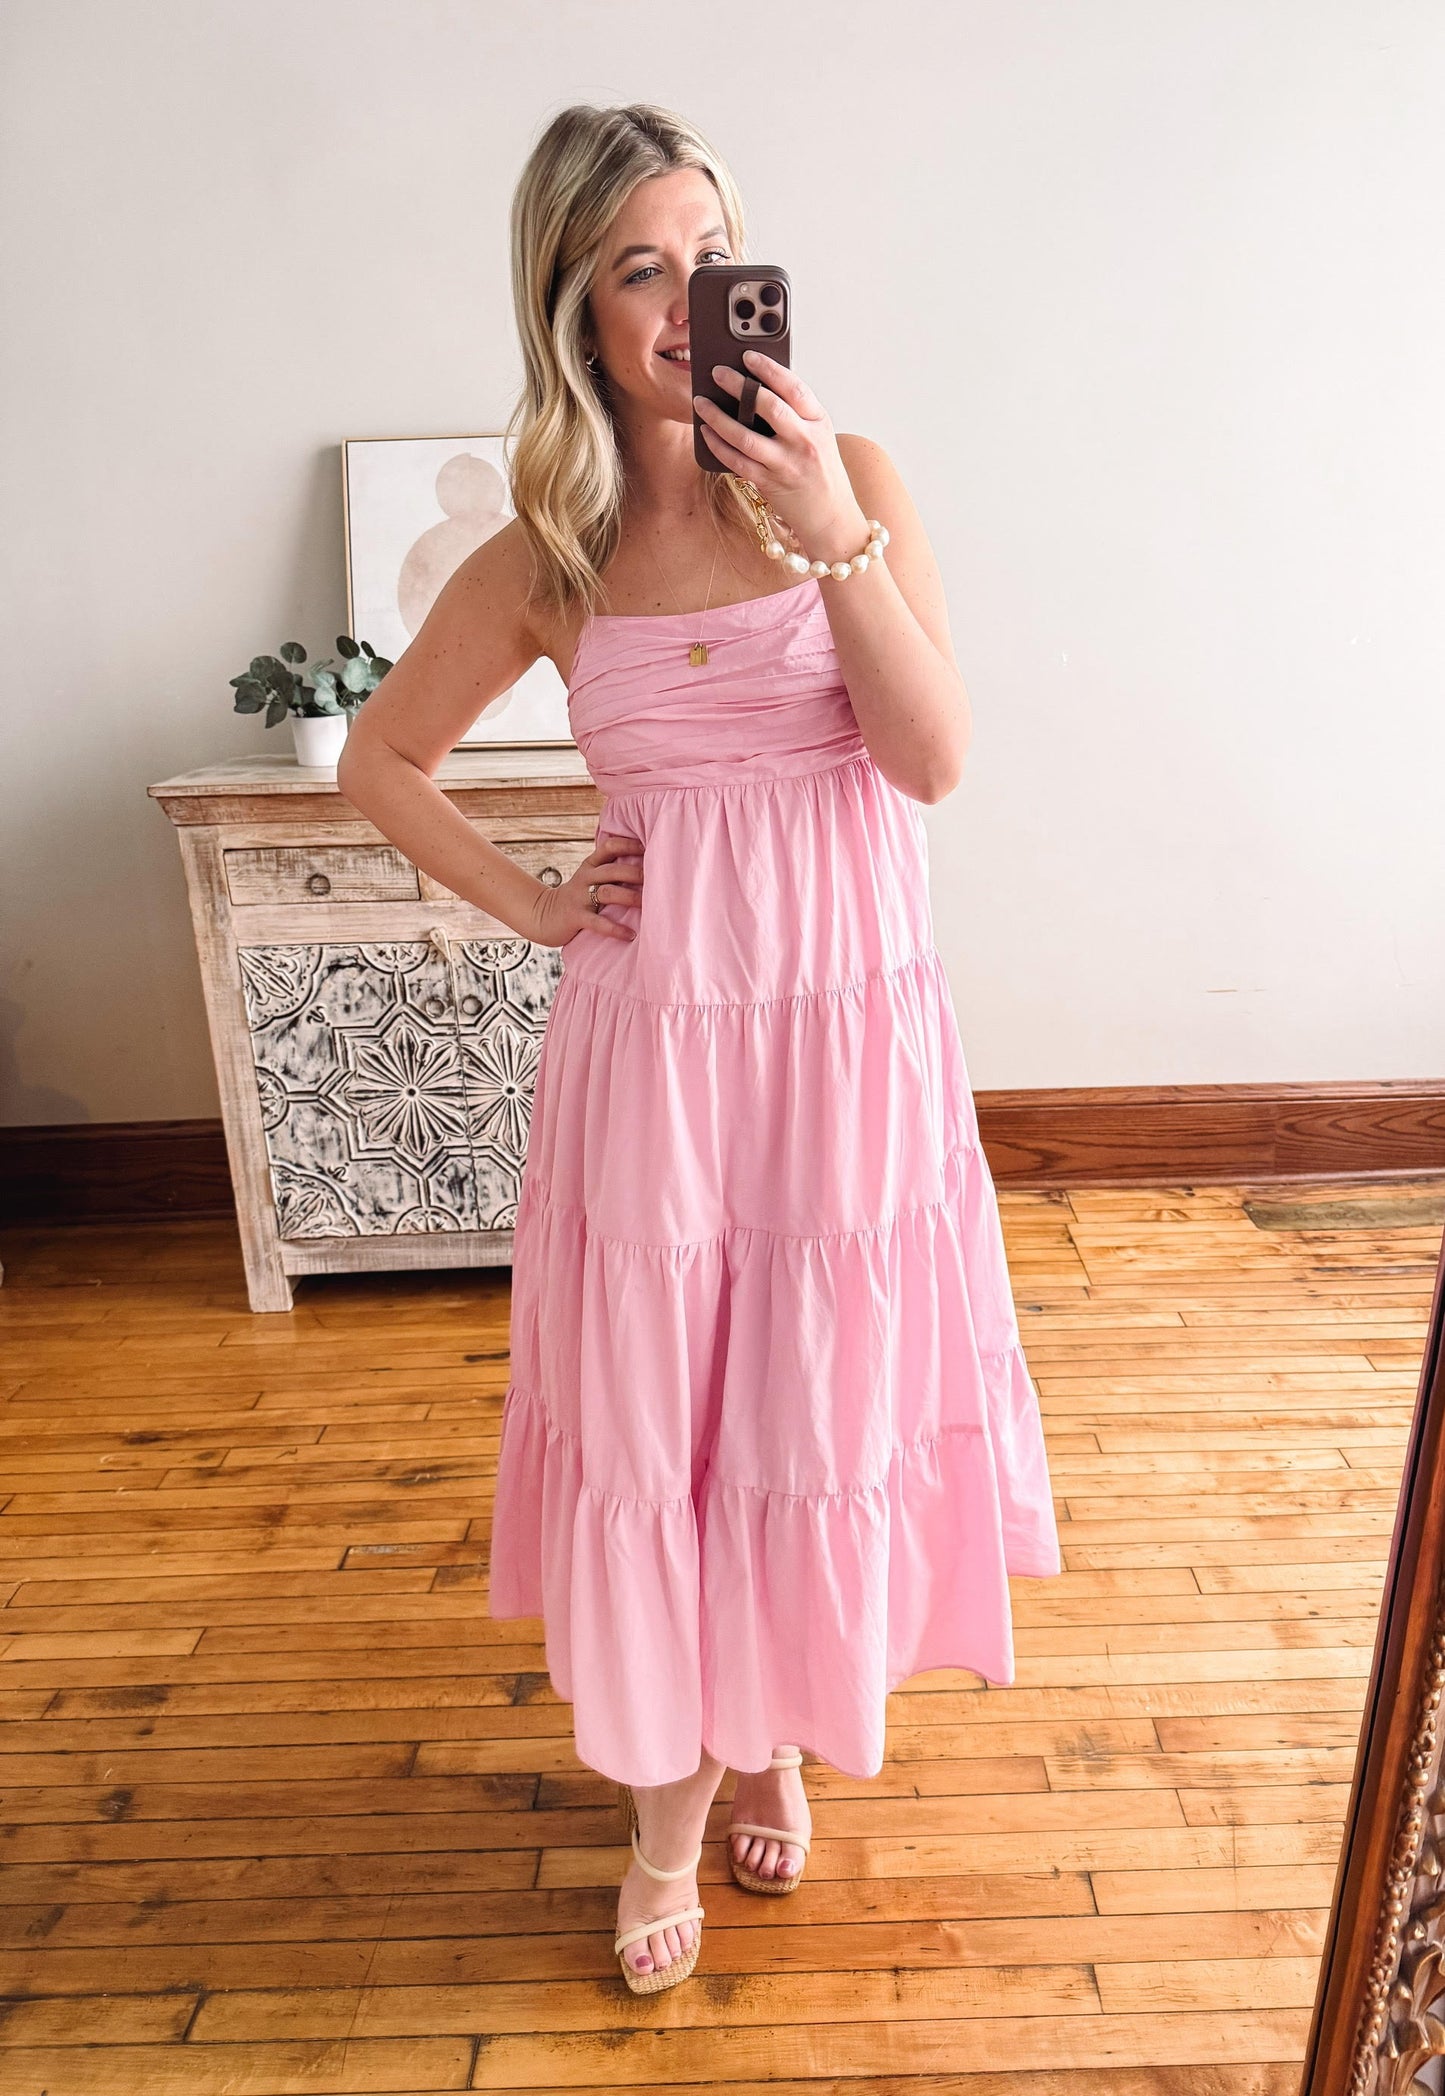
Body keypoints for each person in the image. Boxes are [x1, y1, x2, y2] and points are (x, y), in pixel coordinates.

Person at [338, 101, 1061, 1998]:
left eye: (707, 256)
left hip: (848, 1044)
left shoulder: (855, 478)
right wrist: (534, 902)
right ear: (573, 309)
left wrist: (835, 544)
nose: (680, 307)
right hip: (655, 1056)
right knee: (668, 1418)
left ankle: (773, 1734)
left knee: (804, 1401)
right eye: (637, 272)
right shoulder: (553, 550)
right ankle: (662, 1810)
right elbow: (380, 763)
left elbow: (930, 763)